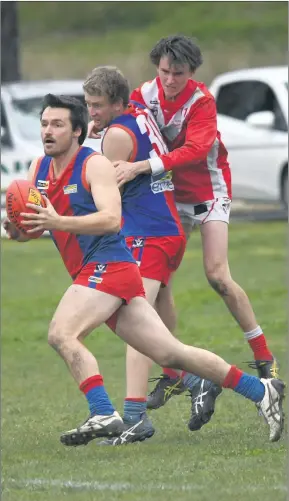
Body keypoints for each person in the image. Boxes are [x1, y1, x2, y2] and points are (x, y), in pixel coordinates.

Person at [5, 93, 285, 449]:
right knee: (171, 354)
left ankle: (103, 411)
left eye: (57, 124)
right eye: (44, 124)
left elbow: (111, 219)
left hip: (110, 265)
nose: (48, 131)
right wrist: (21, 229)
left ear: (77, 131)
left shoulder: (95, 165)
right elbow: (43, 226)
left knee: (62, 333)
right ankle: (260, 390)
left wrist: (57, 220)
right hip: (98, 273)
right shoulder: (37, 171)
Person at [95, 35, 279, 411]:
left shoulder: (203, 102)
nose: (169, 80)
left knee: (217, 276)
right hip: (170, 200)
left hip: (208, 193)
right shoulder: (145, 93)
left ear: (192, 72)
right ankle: (174, 372)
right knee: (158, 286)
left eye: (178, 73)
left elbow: (196, 150)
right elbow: (126, 119)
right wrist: (104, 127)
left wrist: (141, 166)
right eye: (164, 71)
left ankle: (264, 358)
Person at [83, 66, 222, 445]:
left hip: (148, 232)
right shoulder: (140, 114)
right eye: (87, 105)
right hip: (167, 226)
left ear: (115, 103)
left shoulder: (115, 135)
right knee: (159, 308)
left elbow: (100, 191)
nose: (91, 112)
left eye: (97, 105)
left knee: (134, 318)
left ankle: (135, 415)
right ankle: (187, 379)